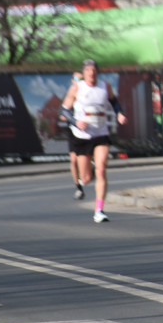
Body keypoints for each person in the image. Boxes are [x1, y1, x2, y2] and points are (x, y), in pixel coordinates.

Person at [61, 60, 128, 223]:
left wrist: (119, 113)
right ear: (84, 73)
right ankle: (86, 169)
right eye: (88, 70)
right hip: (82, 136)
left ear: (97, 72)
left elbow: (114, 102)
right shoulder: (77, 87)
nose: (91, 73)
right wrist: (76, 122)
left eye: (94, 70)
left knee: (101, 169)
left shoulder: (105, 86)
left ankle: (99, 210)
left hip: (100, 134)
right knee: (86, 178)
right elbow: (64, 110)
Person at [66, 71, 85, 199]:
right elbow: (64, 112)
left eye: (81, 79)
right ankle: (78, 187)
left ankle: (90, 169)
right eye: (76, 79)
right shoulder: (71, 93)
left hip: (88, 129)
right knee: (73, 160)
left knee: (87, 158)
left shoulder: (87, 92)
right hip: (73, 130)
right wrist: (70, 119)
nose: (78, 81)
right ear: (72, 80)